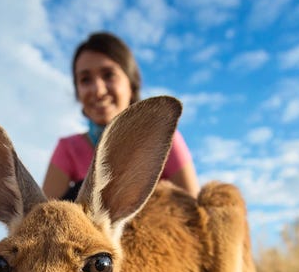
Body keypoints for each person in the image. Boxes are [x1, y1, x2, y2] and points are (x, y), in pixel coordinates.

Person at [42, 31, 200, 201]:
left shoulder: (164, 140)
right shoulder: (68, 149)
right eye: (85, 80)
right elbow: (39, 218)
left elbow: (196, 212)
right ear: (77, 92)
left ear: (131, 84)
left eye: (109, 75)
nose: (98, 90)